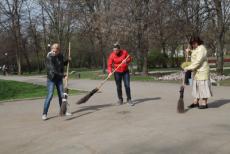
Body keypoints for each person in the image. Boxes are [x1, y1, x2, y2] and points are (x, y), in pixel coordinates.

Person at [42, 43, 72, 120]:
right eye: (53, 49)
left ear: (59, 50)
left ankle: (63, 111)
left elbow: (61, 64)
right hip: (51, 79)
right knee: (50, 95)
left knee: (62, 96)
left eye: (56, 50)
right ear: (51, 49)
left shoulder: (61, 56)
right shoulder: (49, 57)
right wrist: (63, 75)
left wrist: (67, 61)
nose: (54, 51)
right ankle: (44, 113)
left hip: (59, 79)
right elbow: (53, 70)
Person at [184, 36, 212, 109]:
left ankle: (204, 103)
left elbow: (198, 61)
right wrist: (190, 52)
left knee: (203, 87)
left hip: (202, 71)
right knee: (196, 87)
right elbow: (194, 55)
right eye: (192, 43)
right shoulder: (196, 49)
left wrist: (188, 68)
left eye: (194, 43)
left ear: (198, 42)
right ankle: (196, 102)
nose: (193, 45)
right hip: (196, 71)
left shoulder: (202, 48)